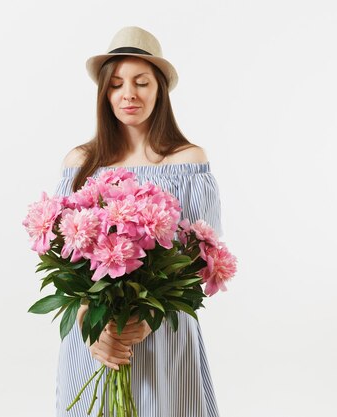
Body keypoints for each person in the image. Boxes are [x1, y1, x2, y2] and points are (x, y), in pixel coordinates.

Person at [53, 26, 223, 417]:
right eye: (116, 84)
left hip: (164, 335)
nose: (128, 93)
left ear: (160, 89)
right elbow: (65, 260)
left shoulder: (188, 162)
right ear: (104, 94)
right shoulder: (80, 164)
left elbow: (202, 259)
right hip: (96, 337)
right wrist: (91, 328)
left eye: (141, 82)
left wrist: (149, 318)